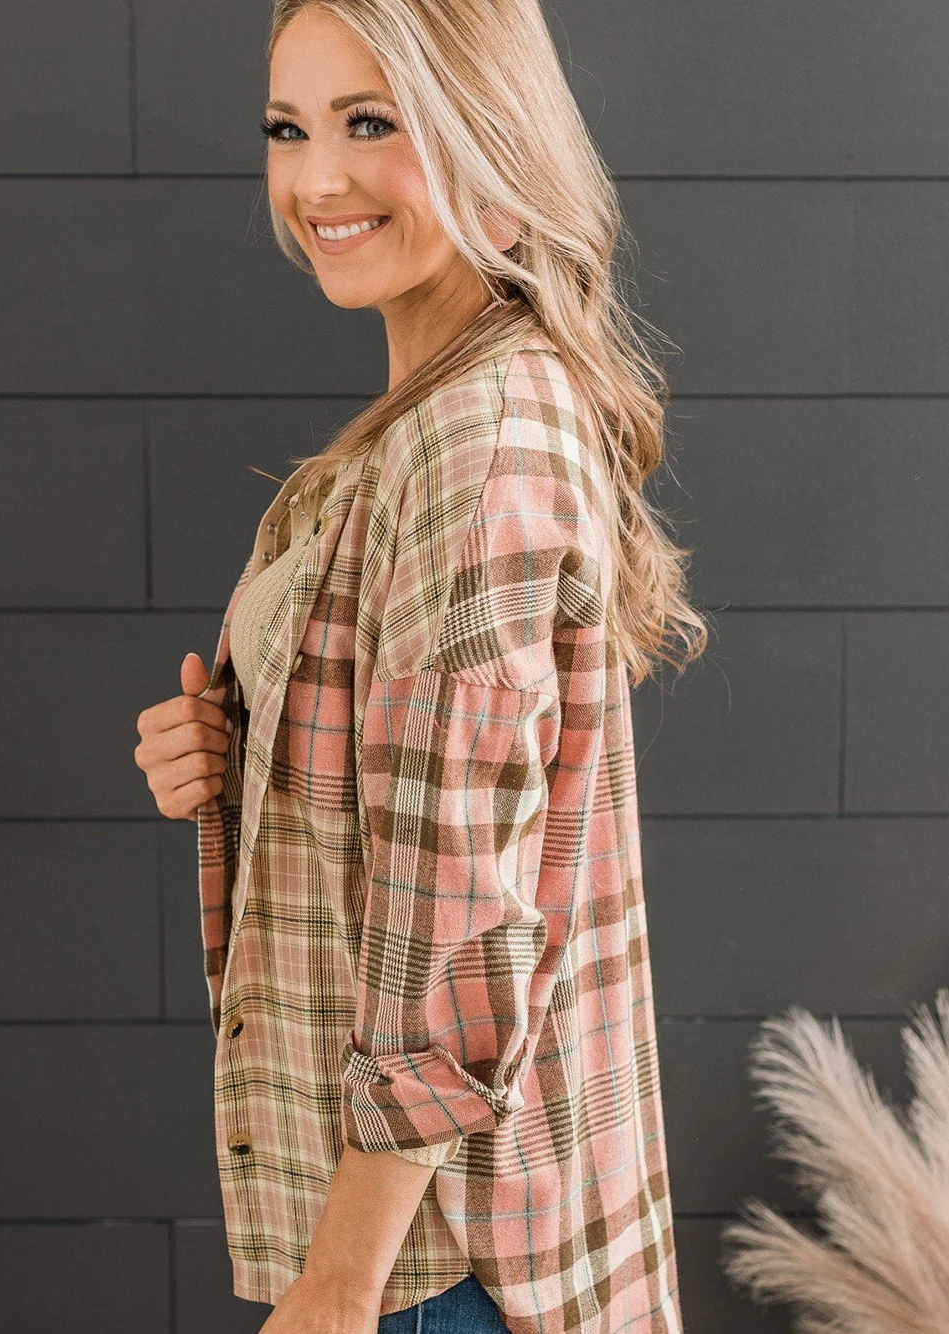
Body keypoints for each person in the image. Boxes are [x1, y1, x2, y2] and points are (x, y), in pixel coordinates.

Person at [134, 2, 708, 1330]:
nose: (317, 179)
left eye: (370, 122)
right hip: (436, 1241)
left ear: (483, 130)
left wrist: (339, 1286)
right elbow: (435, 795)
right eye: (289, 128)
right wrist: (243, 752)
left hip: (438, 1261)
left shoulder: (473, 449)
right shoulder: (452, 413)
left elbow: (459, 925)